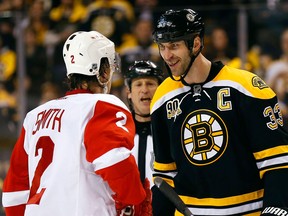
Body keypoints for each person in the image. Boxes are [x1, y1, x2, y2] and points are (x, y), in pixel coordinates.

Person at [150, 8, 288, 216]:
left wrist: (276, 207)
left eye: (174, 46)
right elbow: (165, 175)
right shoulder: (162, 97)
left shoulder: (246, 87)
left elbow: (277, 159)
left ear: (195, 43)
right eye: (162, 47)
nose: (167, 55)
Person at [2, 30, 147, 216]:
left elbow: (14, 192)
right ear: (102, 72)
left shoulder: (35, 116)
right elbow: (114, 164)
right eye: (109, 68)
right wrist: (136, 199)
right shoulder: (101, 106)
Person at [124, 60, 164, 184]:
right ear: (129, 93)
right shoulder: (119, 133)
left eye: (150, 83)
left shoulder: (172, 131)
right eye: (138, 84)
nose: (144, 90)